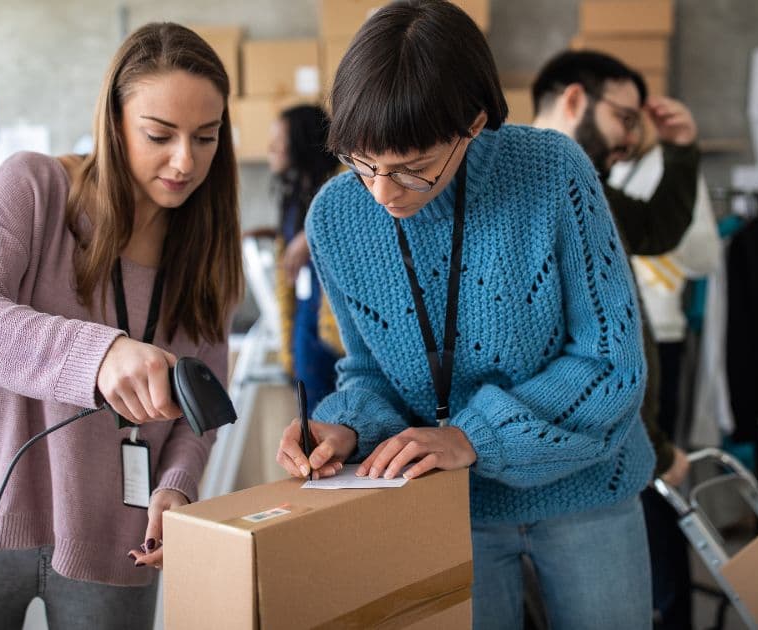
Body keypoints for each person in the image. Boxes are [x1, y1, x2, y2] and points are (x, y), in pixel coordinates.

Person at [274, 2, 653, 628]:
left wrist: (472, 437)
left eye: (413, 170)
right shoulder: (335, 217)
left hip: (588, 491)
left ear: (474, 123)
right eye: (362, 164)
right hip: (446, 508)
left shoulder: (553, 172)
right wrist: (340, 428)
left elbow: (610, 364)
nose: (383, 193)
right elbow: (368, 372)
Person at [0, 22, 241, 629]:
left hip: (117, 538)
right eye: (159, 135)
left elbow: (202, 409)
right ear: (113, 122)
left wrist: (179, 486)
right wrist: (101, 354)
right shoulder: (34, 188)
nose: (185, 160)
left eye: (206, 137)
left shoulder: (208, 251)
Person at [532, 50, 708, 629]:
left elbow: (658, 227)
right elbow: (589, 351)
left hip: (610, 457)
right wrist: (654, 445)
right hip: (565, 473)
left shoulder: (590, 188)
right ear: (576, 99)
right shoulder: (531, 188)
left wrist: (680, 149)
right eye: (625, 119)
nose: (631, 140)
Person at [267, 104, 343, 413]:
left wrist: (309, 235)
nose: (270, 148)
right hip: (306, 317)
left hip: (332, 324)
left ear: (300, 142)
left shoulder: (341, 187)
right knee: (313, 417)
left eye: (279, 140)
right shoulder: (294, 193)